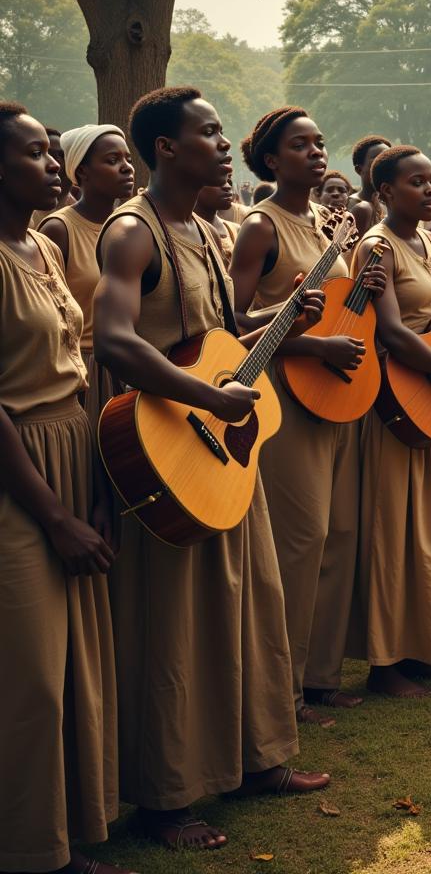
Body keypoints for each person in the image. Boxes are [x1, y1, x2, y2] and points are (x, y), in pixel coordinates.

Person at [93, 87, 330, 851]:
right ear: (165, 147)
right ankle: (165, 800)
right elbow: (118, 343)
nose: (226, 144)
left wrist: (285, 315)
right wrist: (206, 396)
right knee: (173, 630)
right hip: (169, 451)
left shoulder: (202, 226)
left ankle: (259, 761)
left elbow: (219, 335)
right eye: (210, 132)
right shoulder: (134, 233)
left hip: (221, 446)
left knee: (251, 604)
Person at [230, 106, 385, 724]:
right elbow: (233, 322)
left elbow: (333, 306)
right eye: (301, 145)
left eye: (321, 142)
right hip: (285, 392)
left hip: (336, 393)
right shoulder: (260, 227)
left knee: (339, 532)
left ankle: (320, 677)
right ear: (271, 160)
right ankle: (283, 693)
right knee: (300, 541)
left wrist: (364, 290)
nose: (317, 152)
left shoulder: (327, 224)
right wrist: (311, 343)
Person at [0, 103, 123, 874]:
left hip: (73, 449)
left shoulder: (37, 251)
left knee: (76, 662)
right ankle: (31, 848)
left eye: (54, 152)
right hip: (19, 470)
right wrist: (54, 516)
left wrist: (97, 484)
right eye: (38, 154)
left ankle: (67, 832)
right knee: (32, 673)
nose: (54, 165)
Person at [350, 145, 431, 697]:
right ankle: (384, 664)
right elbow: (391, 332)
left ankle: (425, 647)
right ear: (384, 193)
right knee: (394, 531)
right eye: (418, 183)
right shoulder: (376, 246)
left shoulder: (424, 239)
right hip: (397, 398)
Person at [38, 124, 136, 428]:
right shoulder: (59, 229)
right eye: (112, 160)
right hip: (85, 370)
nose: (126, 168)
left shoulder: (132, 226)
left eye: (128, 159)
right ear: (81, 173)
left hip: (134, 363)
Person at [31, 127, 77, 227]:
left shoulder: (82, 213)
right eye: (48, 154)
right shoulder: (24, 216)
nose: (55, 163)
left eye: (62, 155)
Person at [348, 134, 392, 236]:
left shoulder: (391, 207)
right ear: (359, 169)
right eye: (377, 161)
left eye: (389, 161)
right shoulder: (352, 206)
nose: (385, 166)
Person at [194, 177, 239, 266]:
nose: (228, 186)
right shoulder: (182, 233)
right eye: (218, 181)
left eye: (229, 181)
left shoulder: (236, 231)